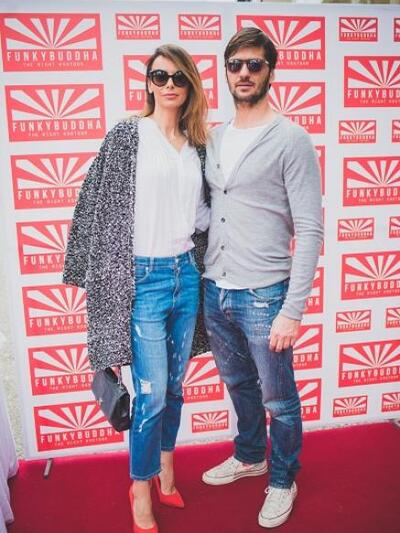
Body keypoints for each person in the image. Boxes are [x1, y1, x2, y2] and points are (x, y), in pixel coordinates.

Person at [63, 44, 209, 533]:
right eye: (159, 75)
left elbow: (203, 215)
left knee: (174, 387)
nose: (169, 84)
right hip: (142, 279)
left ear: (190, 85)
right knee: (150, 394)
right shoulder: (129, 135)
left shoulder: (197, 144)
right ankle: (140, 487)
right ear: (148, 82)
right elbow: (95, 203)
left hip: (186, 274)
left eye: (178, 77)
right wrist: (95, 275)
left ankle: (166, 468)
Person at [201, 28, 323, 529]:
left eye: (254, 64)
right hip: (216, 289)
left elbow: (310, 229)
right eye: (236, 65)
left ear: (270, 70)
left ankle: (283, 478)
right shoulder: (213, 137)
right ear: (225, 72)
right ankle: (251, 454)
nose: (244, 73)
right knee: (238, 385)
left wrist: (292, 310)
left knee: (279, 398)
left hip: (265, 294)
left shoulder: (291, 139)